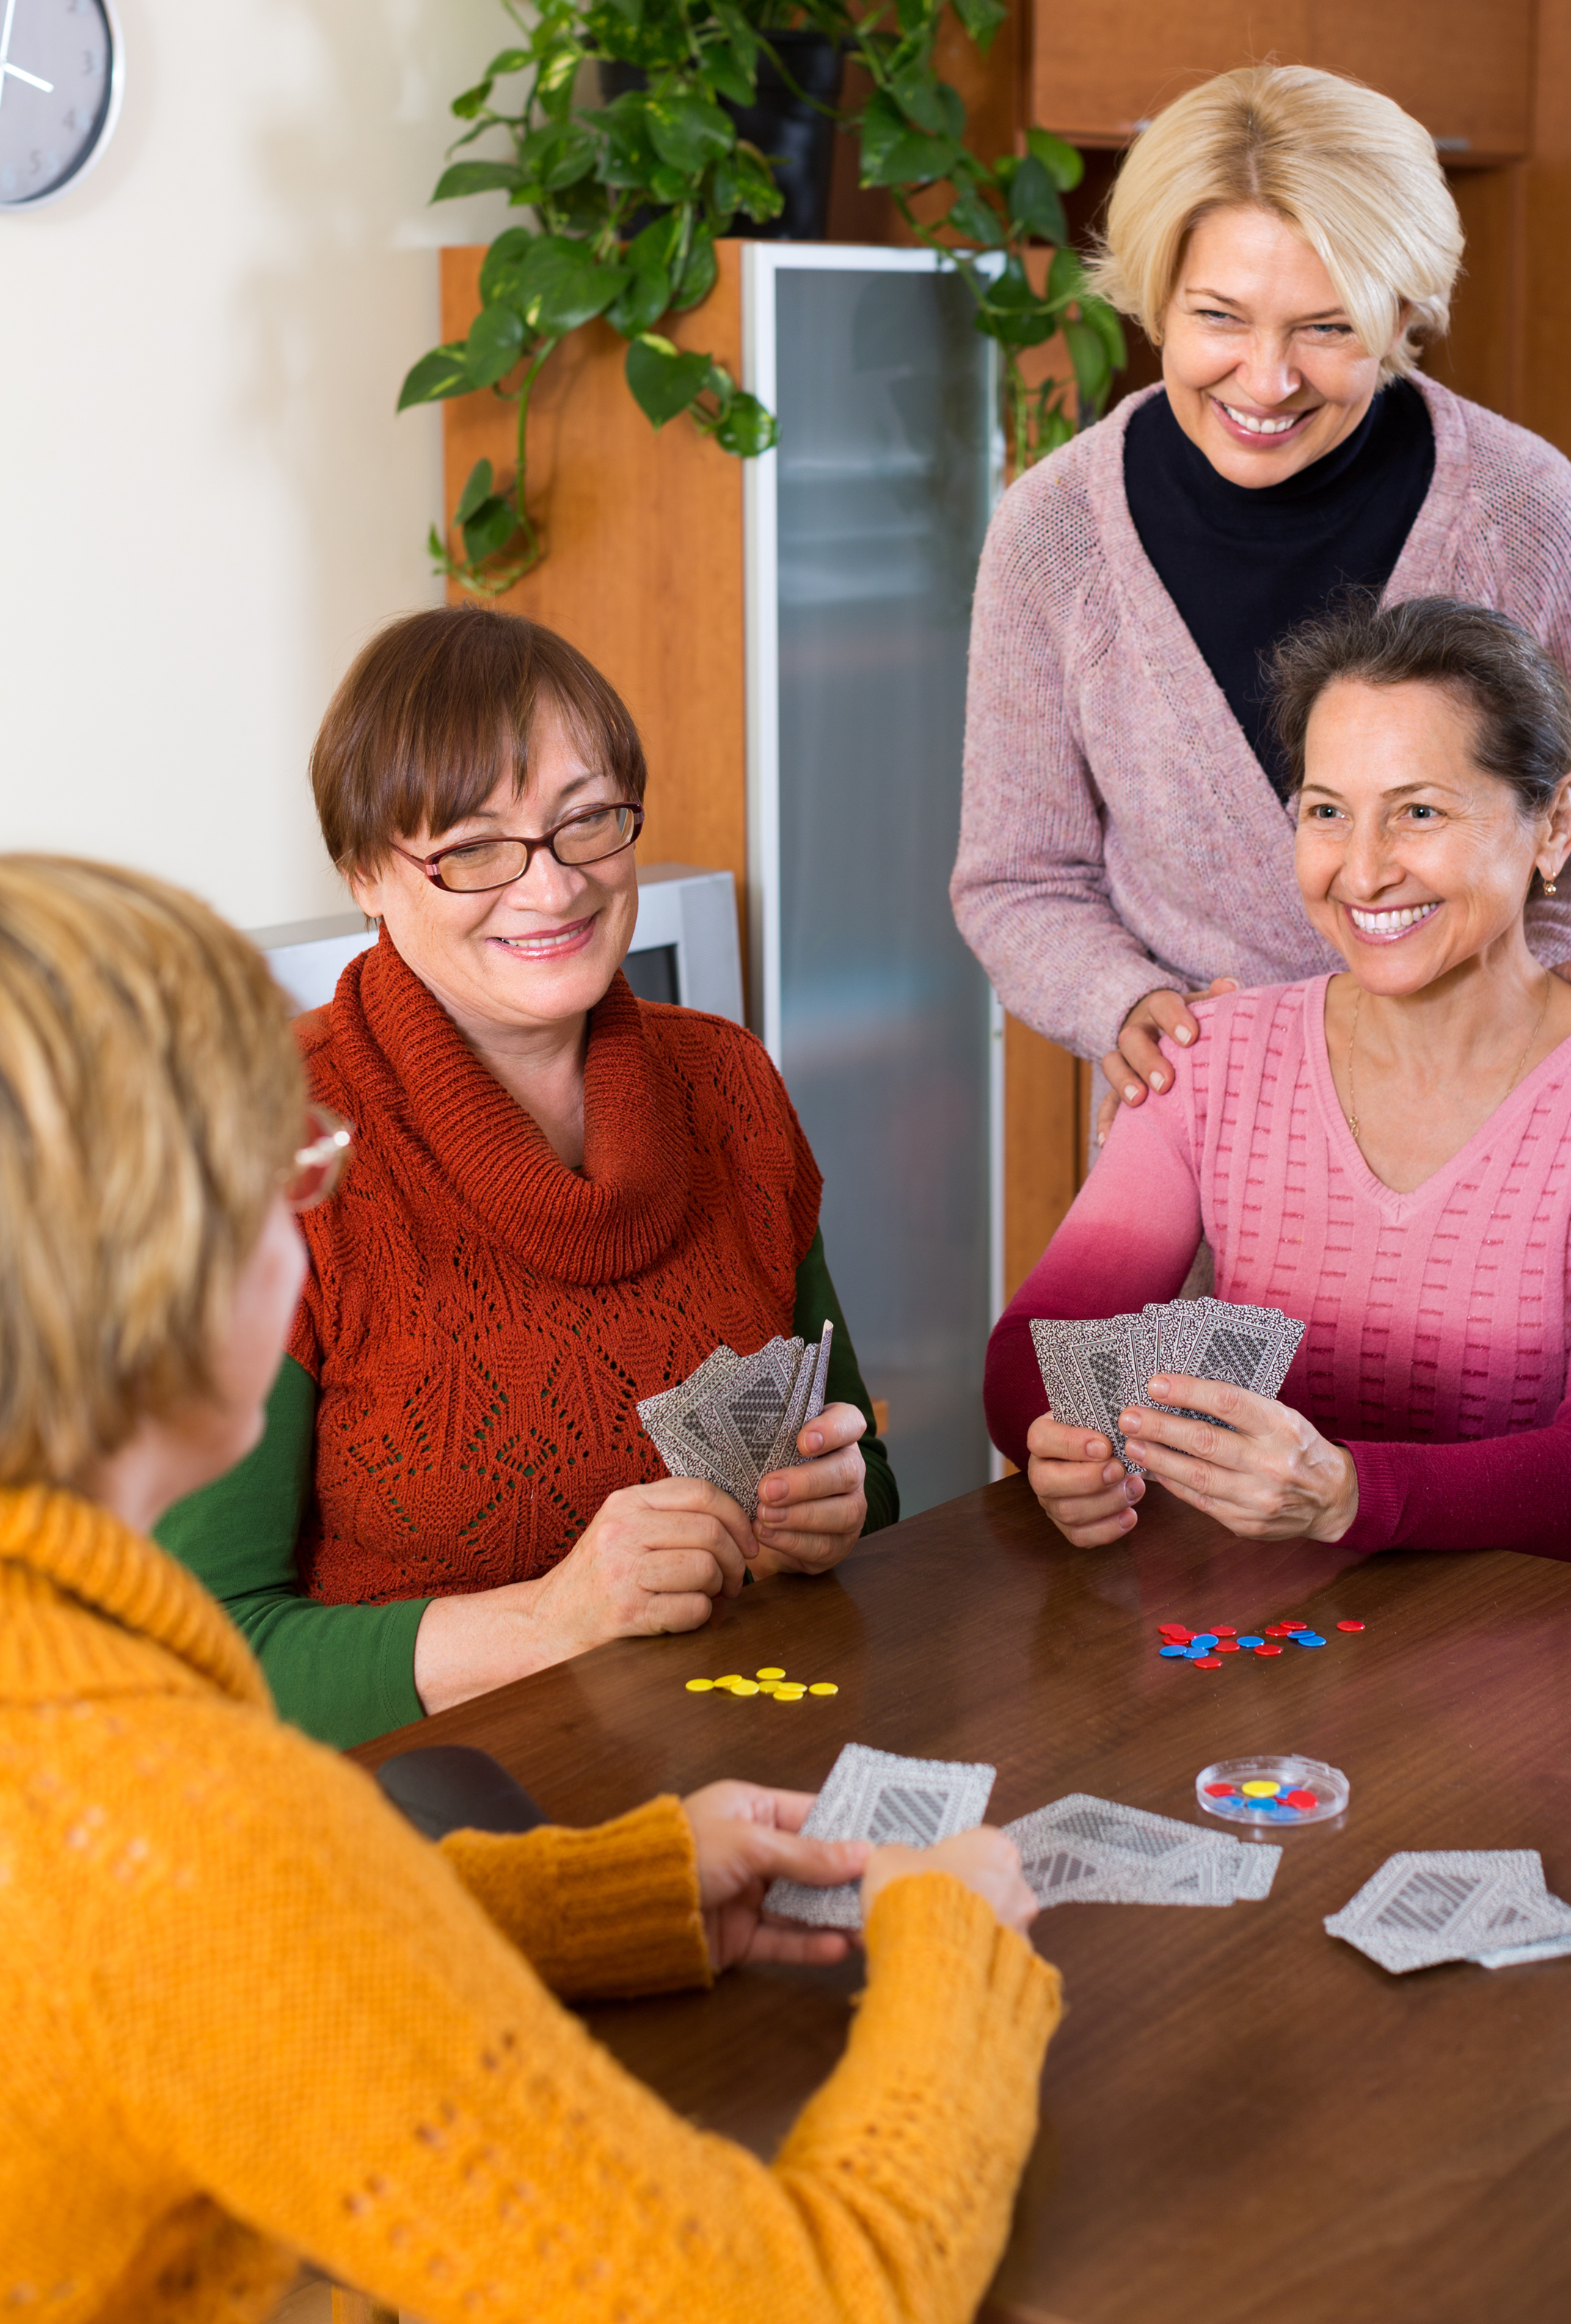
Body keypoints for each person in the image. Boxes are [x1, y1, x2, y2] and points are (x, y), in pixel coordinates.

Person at [0, 853, 1054, 2322]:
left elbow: (197, 1963)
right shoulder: (198, 1821)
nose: (315, 1201)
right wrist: (959, 1946)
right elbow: (804, 2301)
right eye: (286, 1163)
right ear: (154, 1266)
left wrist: (602, 1893)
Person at [157, 609, 896, 1749]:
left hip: (735, 1757)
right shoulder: (257, 1149)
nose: (552, 891)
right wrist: (548, 1622)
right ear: (365, 871)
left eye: (587, 823)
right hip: (417, 1831)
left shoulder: (733, 1085)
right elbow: (201, 1656)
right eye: (472, 846)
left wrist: (835, 1511)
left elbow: (870, 1474)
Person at [952, 63, 1571, 1143]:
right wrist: (1124, 1002)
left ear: (1402, 311)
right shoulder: (1054, 531)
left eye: (1328, 329)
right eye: (1219, 318)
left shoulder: (1518, 505)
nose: (1266, 378)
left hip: (1487, 1124)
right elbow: (1017, 880)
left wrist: (1554, 985)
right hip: (1203, 1143)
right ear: (1157, 296)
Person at [987, 599, 1571, 1572]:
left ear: (1554, 824)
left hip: (1538, 1667)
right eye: (1328, 813)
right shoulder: (1205, 1059)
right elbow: (1029, 1356)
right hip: (1248, 1649)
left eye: (1420, 811)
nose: (1366, 871)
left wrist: (1346, 1493)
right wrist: (1066, 1449)